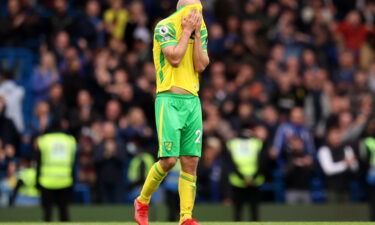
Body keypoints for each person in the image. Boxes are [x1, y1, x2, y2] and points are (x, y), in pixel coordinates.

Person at [134, 0, 209, 224]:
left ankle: (186, 217)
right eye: (192, 11)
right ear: (182, 11)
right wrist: (186, 31)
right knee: (168, 160)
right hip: (169, 98)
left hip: (193, 100)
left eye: (199, 11)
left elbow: (201, 64)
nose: (196, 15)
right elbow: (175, 58)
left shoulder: (200, 28)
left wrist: (196, 35)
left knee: (191, 160)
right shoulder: (164, 27)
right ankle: (142, 200)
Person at [35, 120, 77, 221]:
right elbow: (73, 162)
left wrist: (37, 180)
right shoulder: (70, 140)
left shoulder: (44, 140)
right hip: (65, 180)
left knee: (47, 214)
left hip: (47, 181)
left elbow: (38, 162)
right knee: (64, 213)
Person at [226, 125, 267, 221]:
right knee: (253, 212)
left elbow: (230, 163)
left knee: (239, 213)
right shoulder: (257, 143)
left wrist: (243, 177)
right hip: (253, 180)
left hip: (239, 181)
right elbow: (262, 162)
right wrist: (252, 177)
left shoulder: (232, 143)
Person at [318, 127, 358, 202]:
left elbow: (354, 167)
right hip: (331, 189)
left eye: (338, 135)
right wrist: (345, 163)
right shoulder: (324, 150)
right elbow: (329, 170)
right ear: (328, 137)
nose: (336, 137)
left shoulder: (346, 148)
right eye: (334, 135)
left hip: (346, 188)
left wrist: (349, 164)